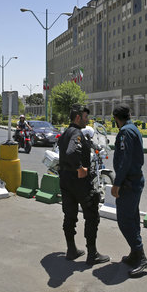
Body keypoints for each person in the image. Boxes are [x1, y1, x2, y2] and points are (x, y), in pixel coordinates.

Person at [58, 104, 109, 265]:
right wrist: (80, 168)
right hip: (79, 182)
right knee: (92, 215)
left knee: (69, 215)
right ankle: (92, 254)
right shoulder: (77, 133)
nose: (88, 120)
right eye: (86, 117)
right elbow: (71, 152)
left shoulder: (66, 132)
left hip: (65, 180)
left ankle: (71, 250)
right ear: (78, 117)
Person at [110, 104, 147, 277]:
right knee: (132, 217)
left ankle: (141, 257)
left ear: (116, 119)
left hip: (128, 184)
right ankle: (135, 254)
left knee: (124, 220)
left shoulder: (125, 132)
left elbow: (125, 161)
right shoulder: (133, 128)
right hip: (134, 181)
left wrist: (116, 183)